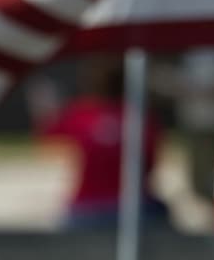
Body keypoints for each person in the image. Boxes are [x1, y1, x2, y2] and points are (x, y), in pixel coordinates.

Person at [36, 56, 166, 229]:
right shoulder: (140, 117)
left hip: (86, 206)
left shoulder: (80, 114)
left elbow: (47, 134)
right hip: (133, 205)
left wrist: (43, 103)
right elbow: (151, 164)